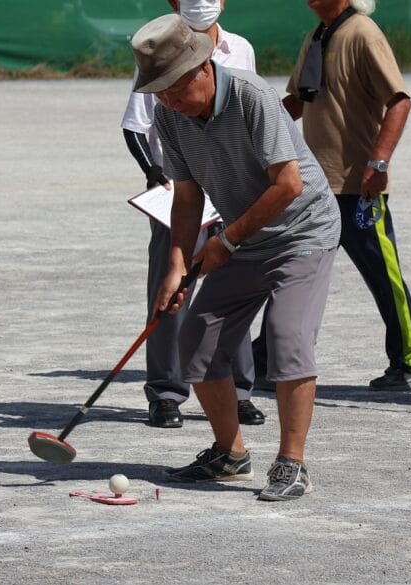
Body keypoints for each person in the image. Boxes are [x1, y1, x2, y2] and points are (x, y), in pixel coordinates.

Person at [131, 14, 341, 500]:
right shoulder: (170, 114)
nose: (167, 101)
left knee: (288, 339)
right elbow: (186, 197)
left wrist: (225, 242)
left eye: (174, 88)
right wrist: (177, 267)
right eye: (158, 91)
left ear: (203, 68)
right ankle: (230, 454)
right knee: (198, 341)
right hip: (247, 240)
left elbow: (288, 185)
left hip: (302, 232)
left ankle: (292, 463)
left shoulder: (252, 96)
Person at [252, 0, 411, 393]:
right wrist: (256, 130)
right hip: (317, 185)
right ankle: (267, 357)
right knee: (295, 269)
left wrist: (380, 162)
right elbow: (300, 100)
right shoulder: (317, 35)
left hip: (357, 184)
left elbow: (399, 101)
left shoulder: (363, 34)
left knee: (383, 275)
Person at [121, 0, 265, 428]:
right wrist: (154, 175)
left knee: (234, 290)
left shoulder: (241, 49)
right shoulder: (161, 49)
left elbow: (254, 118)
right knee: (172, 286)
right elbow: (135, 124)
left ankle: (238, 390)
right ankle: (166, 392)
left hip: (233, 191)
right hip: (179, 190)